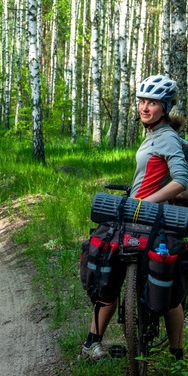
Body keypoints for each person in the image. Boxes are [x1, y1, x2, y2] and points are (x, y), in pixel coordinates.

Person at [80, 74, 188, 361]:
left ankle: (93, 343)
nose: (144, 107)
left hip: (148, 217)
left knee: (123, 272)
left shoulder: (166, 138)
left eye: (152, 102)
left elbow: (181, 181)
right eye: (142, 101)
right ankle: (176, 356)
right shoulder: (155, 135)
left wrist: (143, 202)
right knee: (159, 284)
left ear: (164, 107)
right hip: (143, 215)